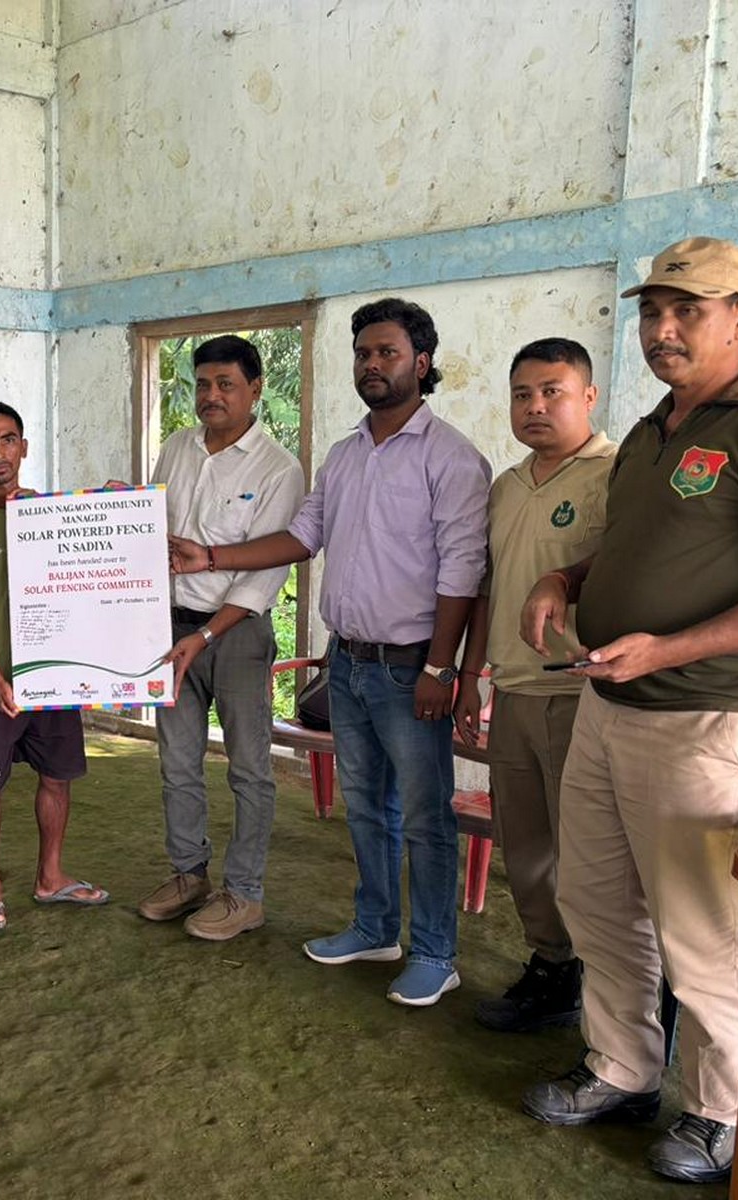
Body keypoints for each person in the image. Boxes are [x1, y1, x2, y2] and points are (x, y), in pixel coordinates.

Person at [517, 238, 738, 1184]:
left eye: (688, 312)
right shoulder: (655, 429)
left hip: (704, 719)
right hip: (610, 706)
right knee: (597, 903)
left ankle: (720, 1114)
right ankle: (621, 1068)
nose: (662, 330)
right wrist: (563, 575)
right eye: (653, 310)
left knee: (702, 932)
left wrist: (666, 649)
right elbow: (639, 549)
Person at [171, 300, 490, 1004]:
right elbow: (303, 535)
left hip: (413, 667)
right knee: (369, 808)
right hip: (346, 662)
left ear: (422, 364)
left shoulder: (452, 458)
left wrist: (445, 667)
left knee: (426, 815)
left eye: (388, 353)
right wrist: (210, 555)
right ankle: (376, 927)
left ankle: (437, 951)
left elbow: (463, 572)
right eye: (363, 354)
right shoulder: (346, 456)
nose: (372, 365)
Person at [451, 339, 614, 1031]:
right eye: (523, 394)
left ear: (588, 398)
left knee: (591, 860)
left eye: (552, 391)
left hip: (583, 697)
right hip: (513, 693)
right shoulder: (506, 487)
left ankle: (612, 1000)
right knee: (525, 849)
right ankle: (553, 969)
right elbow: (488, 590)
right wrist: (470, 677)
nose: (536, 406)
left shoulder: (617, 476)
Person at [130, 335, 304, 940]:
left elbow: (264, 576)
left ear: (255, 390)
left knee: (250, 768)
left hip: (234, 635)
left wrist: (203, 636)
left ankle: (245, 893)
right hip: (167, 628)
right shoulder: (176, 448)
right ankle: (188, 874)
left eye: (225, 384)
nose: (211, 395)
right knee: (177, 762)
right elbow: (149, 530)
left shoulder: (279, 468)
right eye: (202, 384)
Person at [0, 401, 108, 932]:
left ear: (24, 447)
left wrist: (116, 508)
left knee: (57, 779)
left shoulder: (52, 512)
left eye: (8, 439)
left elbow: (89, 583)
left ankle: (50, 876)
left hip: (53, 680)